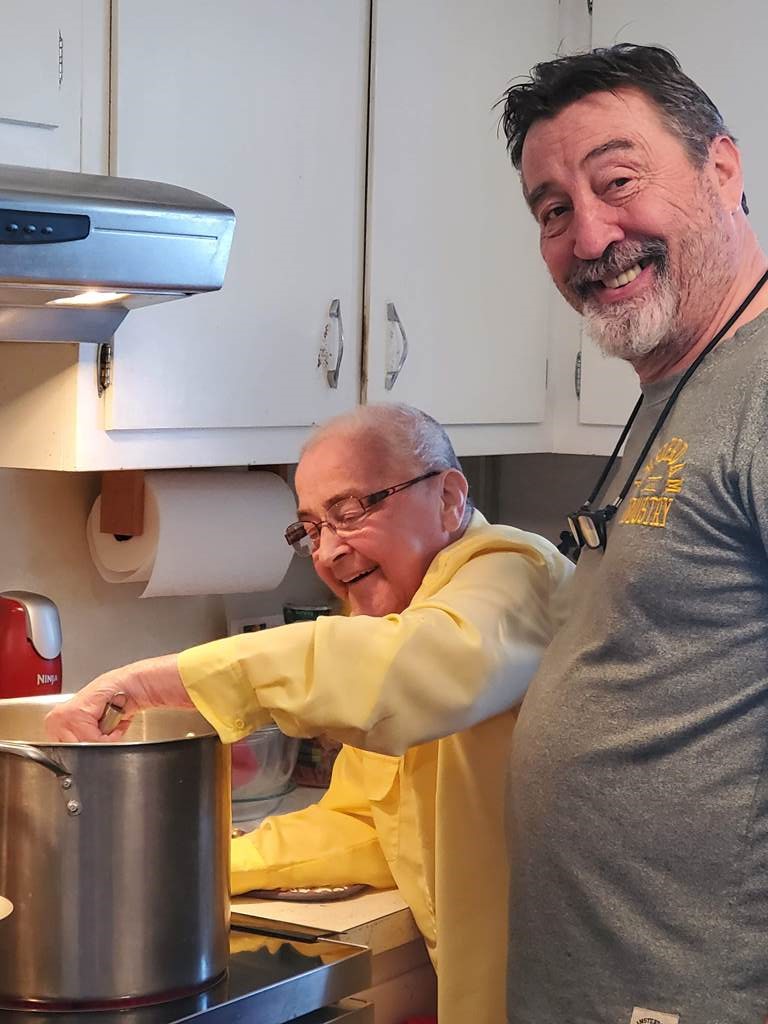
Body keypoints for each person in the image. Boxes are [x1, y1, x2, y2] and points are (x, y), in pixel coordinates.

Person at [47, 402, 573, 1024]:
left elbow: (411, 670)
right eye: (310, 530)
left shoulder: (514, 572)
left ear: (450, 499)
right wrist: (175, 867)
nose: (327, 553)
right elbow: (368, 828)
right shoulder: (400, 618)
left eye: (350, 512)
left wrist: (152, 683)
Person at [498, 43, 768, 1024]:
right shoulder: (675, 387)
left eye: (618, 181)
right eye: (554, 210)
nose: (591, 234)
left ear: (722, 169)